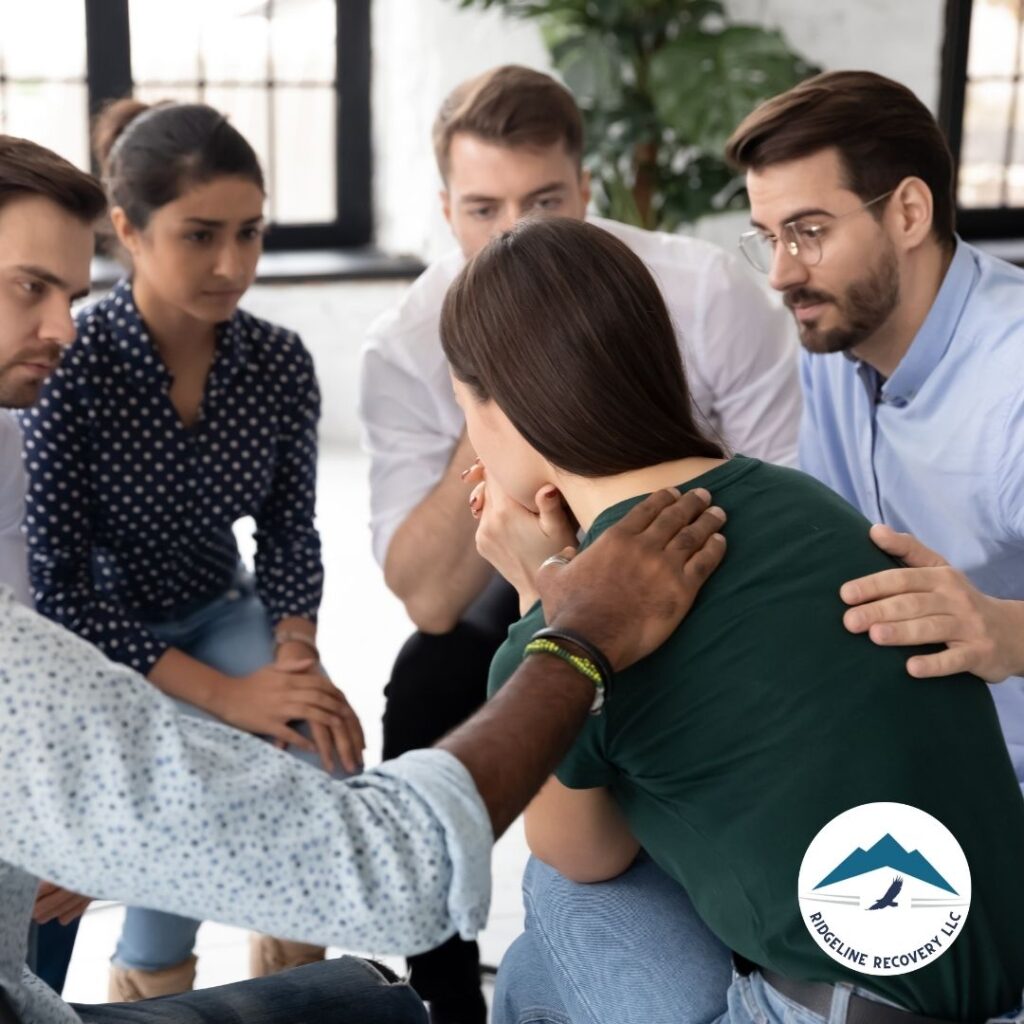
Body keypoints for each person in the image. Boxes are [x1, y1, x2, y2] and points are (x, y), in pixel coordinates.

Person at [440, 216, 1024, 1024]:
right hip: (997, 983)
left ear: (501, 410)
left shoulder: (559, 645)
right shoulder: (808, 504)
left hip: (837, 1012)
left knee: (557, 883)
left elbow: (582, 856)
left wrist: (541, 606)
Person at [358, 64, 800, 1020]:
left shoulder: (707, 290)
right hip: (519, 571)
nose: (512, 233)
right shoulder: (406, 341)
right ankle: (439, 983)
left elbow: (783, 494)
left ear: (587, 190)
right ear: (444, 209)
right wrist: (493, 401)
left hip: (708, 562)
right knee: (426, 676)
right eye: (482, 209)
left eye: (544, 201)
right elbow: (429, 596)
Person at [17, 101, 364, 1001]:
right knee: (181, 797)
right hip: (102, 637)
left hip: (221, 605)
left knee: (318, 757)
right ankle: (155, 992)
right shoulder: (70, 367)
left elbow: (289, 533)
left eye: (250, 233)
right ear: (126, 230)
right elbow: (60, 592)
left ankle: (289, 998)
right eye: (201, 234)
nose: (232, 265)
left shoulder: (280, 363)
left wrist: (295, 662)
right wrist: (227, 700)